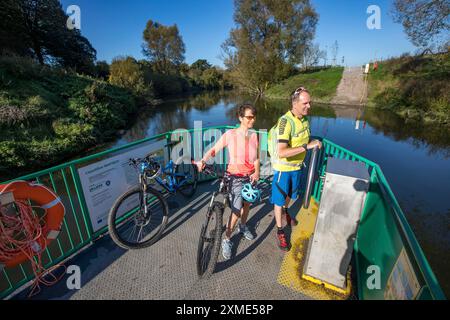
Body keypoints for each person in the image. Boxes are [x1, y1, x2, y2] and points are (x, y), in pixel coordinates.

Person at [196, 104, 260, 260]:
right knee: (236, 211)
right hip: (235, 177)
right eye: (249, 117)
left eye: (254, 116)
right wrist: (203, 160)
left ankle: (243, 227)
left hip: (250, 176)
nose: (253, 119)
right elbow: (214, 149)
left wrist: (257, 172)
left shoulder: (254, 135)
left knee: (247, 205)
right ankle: (227, 239)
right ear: (240, 118)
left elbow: (257, 158)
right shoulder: (230, 134)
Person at [271, 86, 322, 251]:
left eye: (309, 103)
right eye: (305, 103)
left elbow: (302, 139)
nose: (309, 106)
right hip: (283, 169)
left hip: (297, 167)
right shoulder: (285, 122)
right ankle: (280, 231)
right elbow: (282, 151)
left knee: (289, 196)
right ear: (295, 103)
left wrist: (310, 144)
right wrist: (307, 147)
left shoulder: (305, 120)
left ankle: (286, 212)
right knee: (279, 201)